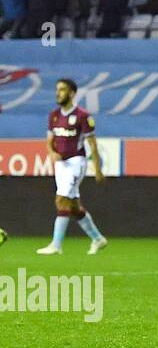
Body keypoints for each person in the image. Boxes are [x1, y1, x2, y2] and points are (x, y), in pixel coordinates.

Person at [37, 78, 109, 255]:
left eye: (62, 89)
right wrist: (52, 153)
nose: (58, 93)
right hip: (61, 165)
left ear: (71, 93)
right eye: (57, 89)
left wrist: (98, 169)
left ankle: (56, 245)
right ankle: (98, 239)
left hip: (76, 163)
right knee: (74, 207)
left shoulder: (83, 116)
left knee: (61, 199)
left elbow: (92, 143)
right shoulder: (54, 115)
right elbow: (49, 141)